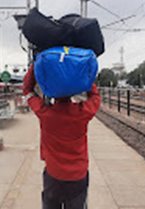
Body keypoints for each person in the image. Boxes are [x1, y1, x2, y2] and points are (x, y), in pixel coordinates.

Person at [22, 65, 101, 209]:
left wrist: (35, 65)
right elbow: (95, 97)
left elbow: (27, 91)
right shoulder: (82, 113)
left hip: (53, 175)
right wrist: (84, 75)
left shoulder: (45, 112)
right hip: (78, 175)